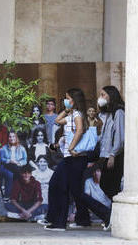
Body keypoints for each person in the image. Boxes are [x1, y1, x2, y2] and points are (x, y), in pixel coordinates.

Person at [42, 88, 91, 231]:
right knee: (65, 188)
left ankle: (58, 222)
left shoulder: (77, 115)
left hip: (73, 157)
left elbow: (80, 130)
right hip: (70, 158)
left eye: (67, 98)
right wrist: (66, 108)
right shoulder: (72, 114)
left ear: (74, 100)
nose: (65, 100)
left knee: (58, 186)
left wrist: (71, 147)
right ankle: (77, 219)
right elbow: (57, 120)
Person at [97, 86, 125, 199]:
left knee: (110, 186)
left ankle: (115, 212)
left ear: (111, 95)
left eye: (103, 95)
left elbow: (120, 136)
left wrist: (113, 154)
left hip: (114, 155)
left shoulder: (118, 112)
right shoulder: (108, 113)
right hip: (106, 155)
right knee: (105, 185)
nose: (100, 97)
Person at [82, 164, 112, 230]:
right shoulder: (89, 181)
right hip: (96, 207)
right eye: (94, 172)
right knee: (83, 196)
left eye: (98, 171)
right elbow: (87, 196)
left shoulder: (106, 182)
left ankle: (109, 218)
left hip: (108, 207)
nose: (96, 173)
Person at [0, 131, 27, 202]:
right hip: (7, 165)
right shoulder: (4, 148)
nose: (12, 138)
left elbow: (25, 160)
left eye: (13, 136)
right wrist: (9, 161)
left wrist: (19, 163)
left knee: (15, 172)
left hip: (18, 167)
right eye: (10, 137)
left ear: (16, 138)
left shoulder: (22, 148)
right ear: (8, 138)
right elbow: (2, 159)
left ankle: (10, 195)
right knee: (17, 172)